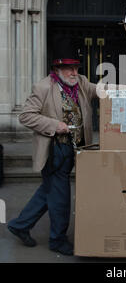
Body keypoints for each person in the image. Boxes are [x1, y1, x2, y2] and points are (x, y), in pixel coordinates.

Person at [7, 41, 97, 255]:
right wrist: (54, 125)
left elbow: (101, 90)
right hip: (54, 150)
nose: (74, 72)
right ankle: (57, 239)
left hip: (73, 148)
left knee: (49, 191)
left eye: (76, 67)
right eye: (69, 68)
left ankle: (20, 225)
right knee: (60, 197)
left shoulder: (81, 83)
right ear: (57, 69)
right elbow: (26, 115)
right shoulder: (44, 87)